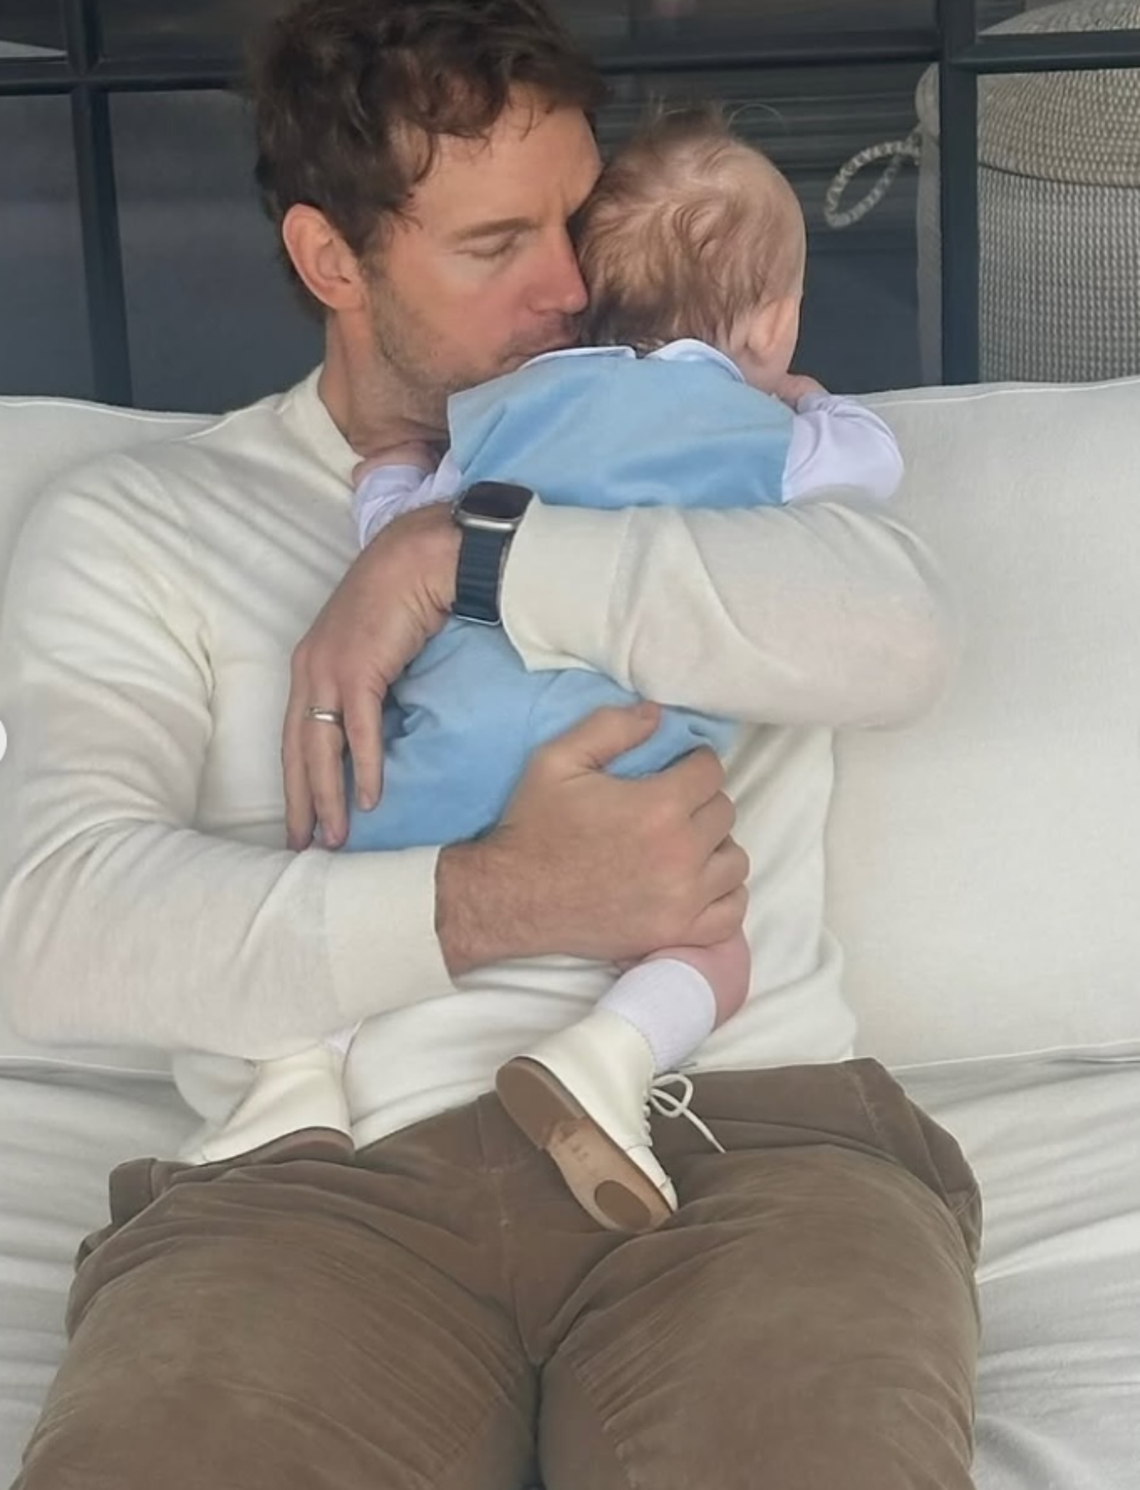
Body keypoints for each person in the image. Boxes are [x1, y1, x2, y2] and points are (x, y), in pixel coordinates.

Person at [0, 2, 981, 1486]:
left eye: (577, 220)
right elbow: (54, 925)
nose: (572, 285)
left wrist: (467, 557)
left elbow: (902, 639)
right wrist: (493, 900)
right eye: (493, 244)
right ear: (332, 260)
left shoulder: (710, 440)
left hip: (739, 1140)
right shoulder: (144, 522)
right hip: (318, 1188)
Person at [186, 107, 906, 1241]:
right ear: (775, 320)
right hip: (633, 762)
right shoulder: (759, 435)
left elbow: (406, 521)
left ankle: (292, 1080)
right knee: (710, 945)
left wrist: (390, 496)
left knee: (328, 887)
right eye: (494, 242)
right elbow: (871, 464)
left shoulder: (510, 406)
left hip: (443, 732)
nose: (557, 285)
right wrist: (807, 401)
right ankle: (604, 1056)